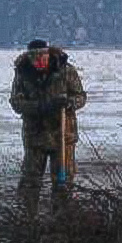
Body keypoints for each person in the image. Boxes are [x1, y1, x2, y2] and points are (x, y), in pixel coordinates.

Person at [8, 39, 87, 213]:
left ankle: (61, 218)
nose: (39, 61)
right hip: (35, 136)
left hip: (63, 135)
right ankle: (26, 218)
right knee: (30, 180)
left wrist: (70, 103)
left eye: (42, 56)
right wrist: (40, 107)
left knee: (63, 180)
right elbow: (16, 102)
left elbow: (81, 96)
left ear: (48, 54)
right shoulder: (22, 73)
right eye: (34, 58)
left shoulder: (66, 71)